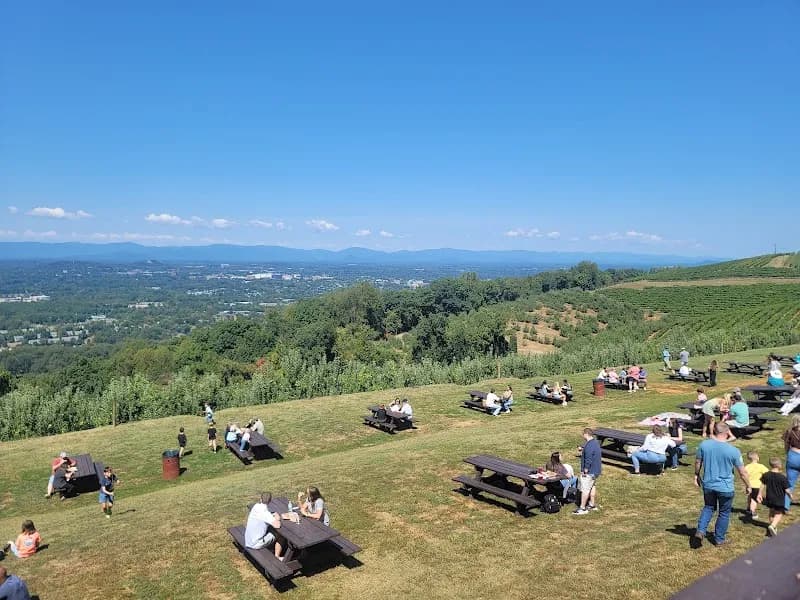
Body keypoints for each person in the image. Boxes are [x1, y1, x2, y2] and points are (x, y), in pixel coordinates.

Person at [692, 422, 751, 547]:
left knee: (708, 507)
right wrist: (748, 485)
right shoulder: (734, 451)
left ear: (714, 430)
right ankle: (719, 539)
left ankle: (700, 531)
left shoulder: (704, 445)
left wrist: (696, 475)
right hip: (725, 487)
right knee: (724, 512)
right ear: (727, 432)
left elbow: (698, 462)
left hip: (708, 485)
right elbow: (743, 472)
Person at [759, 457, 793, 537]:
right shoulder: (782, 478)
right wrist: (790, 495)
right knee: (779, 513)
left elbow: (762, 485)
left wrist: (759, 494)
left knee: (771, 511)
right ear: (779, 465)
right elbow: (787, 490)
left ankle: (772, 528)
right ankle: (773, 526)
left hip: (769, 497)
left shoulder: (766, 475)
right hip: (779, 499)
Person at [244, 492, 282, 556]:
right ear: (270, 501)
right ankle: (277, 556)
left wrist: (272, 515)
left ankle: (272, 547)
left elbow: (264, 516)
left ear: (260, 499)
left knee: (270, 528)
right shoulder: (266, 513)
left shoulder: (256, 506)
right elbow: (277, 525)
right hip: (256, 543)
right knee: (280, 535)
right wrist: (278, 518)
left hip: (248, 540)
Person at [573, 428, 601, 515]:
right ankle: (592, 504)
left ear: (586, 434)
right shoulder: (595, 443)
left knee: (585, 489)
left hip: (589, 471)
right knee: (592, 486)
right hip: (596, 471)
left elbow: (588, 459)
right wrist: (583, 449)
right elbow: (591, 452)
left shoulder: (589, 446)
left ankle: (582, 508)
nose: (582, 436)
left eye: (583, 434)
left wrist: (585, 470)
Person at [782, 415, 800, 511]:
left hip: (792, 456)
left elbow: (786, 444)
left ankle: (786, 505)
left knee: (790, 483)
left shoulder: (789, 431)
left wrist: (787, 454)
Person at [744, 451, 768, 520]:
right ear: (757, 458)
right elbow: (767, 473)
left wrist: (747, 485)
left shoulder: (747, 467)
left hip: (749, 485)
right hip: (757, 486)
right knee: (754, 500)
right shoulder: (761, 466)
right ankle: (752, 512)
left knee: (750, 496)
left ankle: (748, 509)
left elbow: (745, 475)